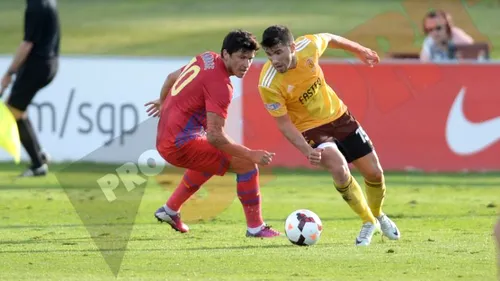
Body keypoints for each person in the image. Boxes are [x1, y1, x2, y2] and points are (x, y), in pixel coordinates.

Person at [257, 25, 400, 246]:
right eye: (269, 54)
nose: (274, 60)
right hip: (312, 129)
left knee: (374, 173)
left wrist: (360, 50)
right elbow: (284, 124)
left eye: (278, 52)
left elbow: (331, 38)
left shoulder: (309, 46)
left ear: (292, 47)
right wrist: (307, 151)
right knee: (339, 169)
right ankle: (368, 221)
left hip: (340, 117)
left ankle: (379, 215)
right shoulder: (268, 83)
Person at [144, 29, 281, 238]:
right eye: (241, 57)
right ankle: (256, 227)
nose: (246, 64)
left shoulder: (206, 57)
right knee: (245, 163)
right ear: (226, 54)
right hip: (179, 144)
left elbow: (171, 77)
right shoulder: (221, 86)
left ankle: (170, 210)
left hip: (168, 138)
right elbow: (215, 136)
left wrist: (163, 101)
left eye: (250, 59)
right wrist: (250, 154)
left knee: (211, 158)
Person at [0, 0, 60, 177]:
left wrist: (9, 72)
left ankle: (38, 163)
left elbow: (28, 43)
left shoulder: (35, 6)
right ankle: (39, 154)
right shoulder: (48, 2)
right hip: (51, 62)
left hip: (37, 65)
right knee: (18, 110)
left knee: (12, 111)